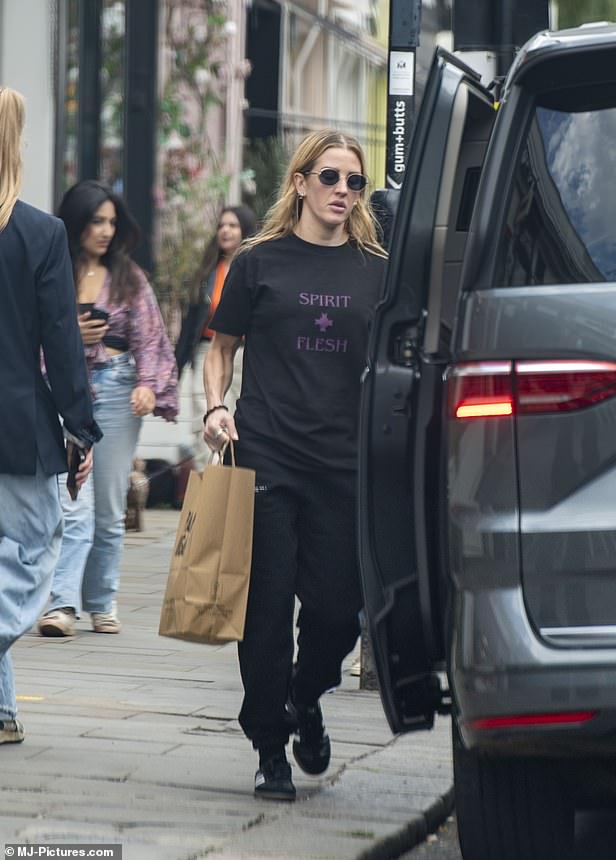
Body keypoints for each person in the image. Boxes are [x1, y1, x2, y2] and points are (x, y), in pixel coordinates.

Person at [202, 129, 387, 800]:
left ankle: (307, 697)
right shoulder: (259, 262)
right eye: (331, 177)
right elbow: (221, 346)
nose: (343, 190)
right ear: (301, 182)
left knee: (341, 609)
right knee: (266, 610)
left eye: (354, 181)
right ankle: (270, 744)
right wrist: (216, 407)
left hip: (345, 461)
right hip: (268, 452)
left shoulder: (377, 268)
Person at [0, 87, 100, 745]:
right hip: (17, 426)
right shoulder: (38, 232)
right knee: (36, 557)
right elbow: (63, 341)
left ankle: (2, 711)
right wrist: (81, 427)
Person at [37, 180, 178, 638]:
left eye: (111, 222)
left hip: (117, 392)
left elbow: (152, 338)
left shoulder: (128, 276)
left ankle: (101, 599)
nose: (104, 230)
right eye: (96, 220)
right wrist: (71, 337)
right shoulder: (53, 270)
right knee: (72, 501)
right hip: (63, 391)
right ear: (75, 222)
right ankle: (63, 605)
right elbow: (28, 335)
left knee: (108, 506)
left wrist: (148, 388)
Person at [175, 205, 256, 470]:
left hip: (245, 354)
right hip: (207, 351)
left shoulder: (255, 267)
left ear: (244, 230)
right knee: (205, 415)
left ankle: (236, 481)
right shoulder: (209, 271)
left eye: (232, 225)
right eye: (222, 225)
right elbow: (190, 323)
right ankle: (208, 480)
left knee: (239, 420)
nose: (225, 230)